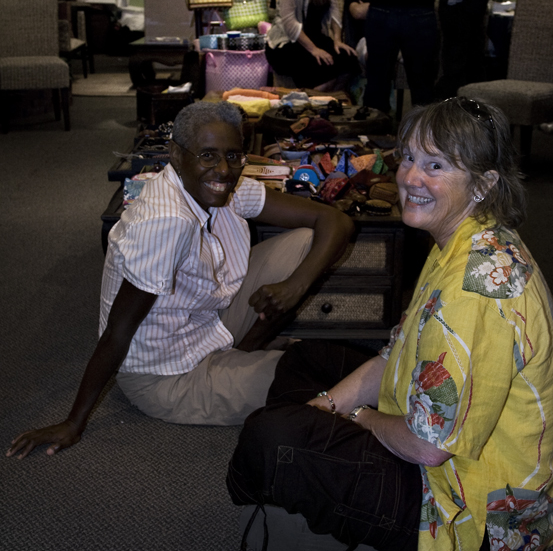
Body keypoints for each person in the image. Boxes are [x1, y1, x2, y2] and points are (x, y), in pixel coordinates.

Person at [228, 97, 553, 551]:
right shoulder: (467, 238)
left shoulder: (472, 292)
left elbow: (429, 448)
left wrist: (355, 416)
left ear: (484, 184)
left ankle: (304, 483)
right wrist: (328, 405)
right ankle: (312, 478)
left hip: (475, 515)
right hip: (442, 447)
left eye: (436, 165)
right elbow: (397, 351)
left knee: (269, 436)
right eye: (409, 157)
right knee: (304, 361)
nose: (410, 177)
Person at [7, 102, 354, 460]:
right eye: (208, 155)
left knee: (305, 242)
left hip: (205, 322)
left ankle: (244, 352)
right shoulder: (166, 222)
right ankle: (247, 361)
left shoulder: (221, 186)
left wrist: (294, 287)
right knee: (322, 384)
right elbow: (117, 332)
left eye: (232, 155)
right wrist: (73, 423)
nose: (223, 169)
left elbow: (335, 222)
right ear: (176, 155)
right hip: (167, 377)